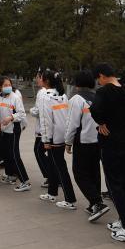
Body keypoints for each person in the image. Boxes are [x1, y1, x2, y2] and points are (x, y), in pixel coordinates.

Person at [90, 63, 125, 243]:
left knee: (114, 184)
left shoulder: (104, 92)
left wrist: (101, 122)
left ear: (102, 76)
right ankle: (122, 219)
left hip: (110, 142)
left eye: (99, 79)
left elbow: (94, 110)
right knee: (123, 182)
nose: (99, 82)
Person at [66, 71, 107, 219]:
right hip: (98, 141)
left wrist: (68, 142)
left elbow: (72, 123)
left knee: (80, 173)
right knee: (94, 172)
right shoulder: (97, 97)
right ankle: (95, 203)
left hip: (83, 141)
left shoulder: (76, 99)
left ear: (77, 84)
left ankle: (97, 202)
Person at [38, 70, 76, 209]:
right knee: (54, 164)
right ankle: (52, 193)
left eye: (41, 77)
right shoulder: (62, 95)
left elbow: (45, 120)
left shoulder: (45, 97)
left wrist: (46, 140)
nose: (40, 79)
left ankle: (70, 199)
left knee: (60, 167)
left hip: (53, 136)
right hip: (62, 134)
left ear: (46, 81)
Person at [0, 76, 29, 190]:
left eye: (9, 85)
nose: (8, 87)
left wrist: (11, 117)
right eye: (5, 85)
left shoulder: (15, 97)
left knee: (14, 154)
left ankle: (25, 181)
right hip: (4, 130)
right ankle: (10, 175)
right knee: (3, 151)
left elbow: (22, 114)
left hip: (14, 129)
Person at [29, 70, 54, 189]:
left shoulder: (42, 92)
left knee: (38, 151)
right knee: (46, 153)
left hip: (43, 129)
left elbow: (38, 111)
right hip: (48, 128)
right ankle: (52, 176)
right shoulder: (53, 92)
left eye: (38, 77)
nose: (37, 79)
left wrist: (31, 111)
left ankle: (51, 177)